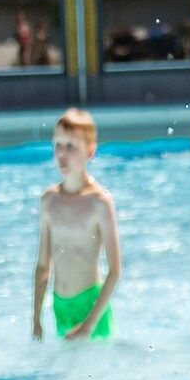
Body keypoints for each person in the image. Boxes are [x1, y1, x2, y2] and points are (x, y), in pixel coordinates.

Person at [32, 108, 120, 342]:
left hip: (91, 308)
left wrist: (87, 327)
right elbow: (43, 265)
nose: (62, 154)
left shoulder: (99, 202)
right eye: (58, 145)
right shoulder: (48, 201)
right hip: (60, 307)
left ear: (90, 151)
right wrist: (36, 320)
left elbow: (115, 270)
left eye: (71, 147)